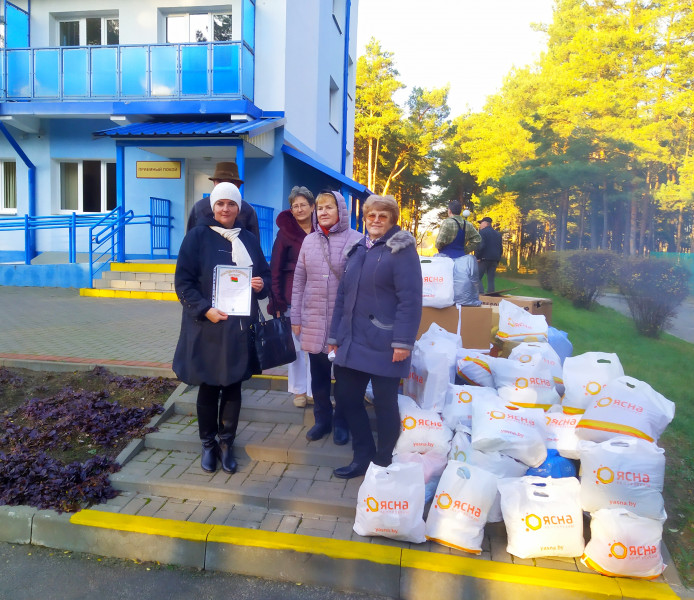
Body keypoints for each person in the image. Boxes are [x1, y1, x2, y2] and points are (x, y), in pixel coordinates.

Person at [173, 182, 271, 475]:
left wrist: (261, 284)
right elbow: (183, 283)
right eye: (220, 204)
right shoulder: (197, 237)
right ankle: (208, 444)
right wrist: (205, 309)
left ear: (238, 208)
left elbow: (264, 276)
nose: (225, 209)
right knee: (208, 386)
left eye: (231, 204)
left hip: (238, 329)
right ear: (212, 207)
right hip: (208, 326)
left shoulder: (248, 239)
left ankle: (227, 444)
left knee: (232, 387)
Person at [328, 195, 422, 479]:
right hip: (353, 340)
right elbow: (342, 297)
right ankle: (363, 455)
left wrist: (403, 342)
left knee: (384, 403)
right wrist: (334, 336)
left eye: (383, 216)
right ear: (365, 218)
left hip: (386, 342)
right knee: (347, 397)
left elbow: (410, 300)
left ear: (392, 219)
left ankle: (383, 461)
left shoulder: (401, 251)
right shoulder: (358, 249)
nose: (377, 220)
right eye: (372, 215)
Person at [291, 190, 361, 445]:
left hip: (343, 323)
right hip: (313, 320)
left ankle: (342, 422)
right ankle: (322, 420)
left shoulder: (357, 240)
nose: (323, 212)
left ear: (341, 210)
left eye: (328, 207)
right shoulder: (309, 241)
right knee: (319, 376)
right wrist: (295, 317)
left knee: (344, 377)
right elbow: (299, 280)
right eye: (320, 208)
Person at [268, 186, 315, 408]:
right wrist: (276, 300)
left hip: (317, 296)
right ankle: (299, 391)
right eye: (295, 206)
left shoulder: (323, 229)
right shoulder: (284, 233)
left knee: (315, 347)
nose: (299, 209)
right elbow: (275, 268)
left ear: (312, 207)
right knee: (295, 347)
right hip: (291, 297)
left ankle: (315, 390)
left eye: (303, 205)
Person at [186, 161, 260, 240]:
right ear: (214, 183)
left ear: (238, 185)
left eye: (231, 182)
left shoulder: (248, 210)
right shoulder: (199, 208)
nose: (225, 185)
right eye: (220, 181)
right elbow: (190, 240)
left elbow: (254, 243)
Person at [476, 216, 503, 294]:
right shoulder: (498, 234)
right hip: (495, 259)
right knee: (491, 278)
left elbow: (481, 246)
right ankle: (491, 294)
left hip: (484, 259)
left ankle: (481, 293)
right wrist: (498, 258)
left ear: (485, 223)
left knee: (476, 277)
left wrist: (477, 257)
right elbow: (500, 248)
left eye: (481, 223)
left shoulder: (482, 232)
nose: (480, 225)